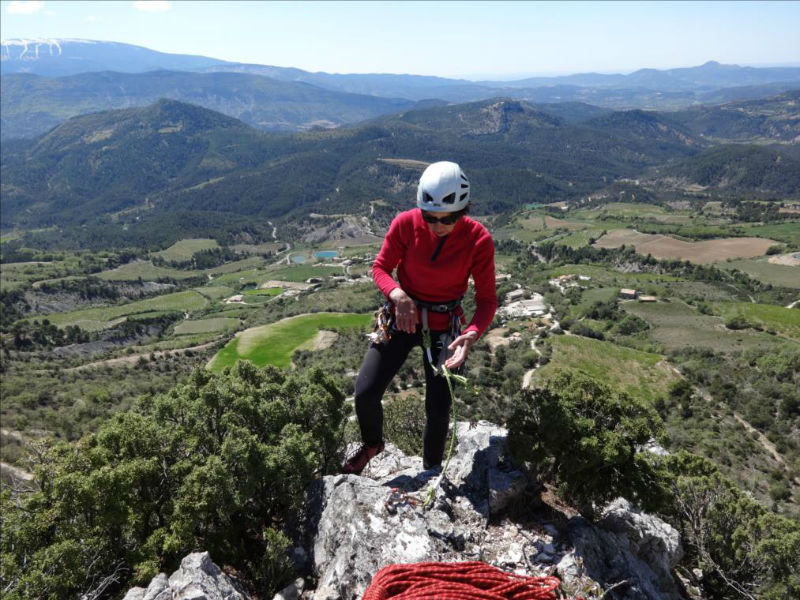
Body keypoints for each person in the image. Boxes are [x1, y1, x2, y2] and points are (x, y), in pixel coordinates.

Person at [342, 161, 497, 475]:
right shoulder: (405, 224)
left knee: (438, 409)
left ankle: (430, 470)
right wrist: (398, 296)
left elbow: (486, 300)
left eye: (449, 218)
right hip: (403, 317)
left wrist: (472, 333)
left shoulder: (478, 240)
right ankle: (373, 444)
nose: (439, 226)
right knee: (365, 392)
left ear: (465, 209)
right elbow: (380, 268)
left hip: (446, 328)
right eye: (431, 218)